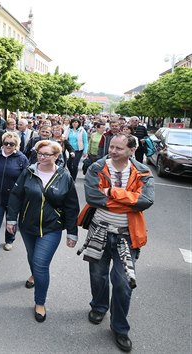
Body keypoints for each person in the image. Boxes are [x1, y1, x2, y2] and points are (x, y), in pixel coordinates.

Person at [77, 134, 154, 352]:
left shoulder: (143, 172)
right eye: (111, 147)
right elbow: (93, 198)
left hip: (127, 237)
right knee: (97, 275)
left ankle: (120, 328)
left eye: (119, 148)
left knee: (123, 283)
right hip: (99, 231)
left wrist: (111, 192)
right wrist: (129, 199)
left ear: (131, 150)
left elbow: (146, 201)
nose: (112, 151)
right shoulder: (96, 168)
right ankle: (99, 307)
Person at [6, 140, 80, 323]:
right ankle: (34, 274)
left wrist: (72, 232)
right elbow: (16, 196)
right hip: (27, 226)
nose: (42, 157)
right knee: (32, 257)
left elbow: (72, 207)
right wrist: (11, 219)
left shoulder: (64, 176)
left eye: (47, 154)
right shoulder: (29, 171)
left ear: (56, 156)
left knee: (40, 263)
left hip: (51, 228)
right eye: (40, 153)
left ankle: (40, 302)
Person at [0, 132, 29, 260]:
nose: (8, 146)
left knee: (11, 221)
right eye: (6, 143)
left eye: (11, 144)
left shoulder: (22, 158)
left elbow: (26, 178)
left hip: (14, 198)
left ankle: (10, 240)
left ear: (17, 145)